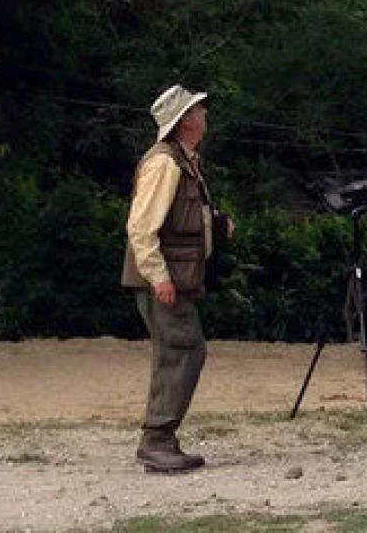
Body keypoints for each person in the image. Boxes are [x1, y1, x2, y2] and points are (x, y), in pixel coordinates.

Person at [120, 84, 229, 474]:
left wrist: (216, 225)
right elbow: (141, 227)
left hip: (173, 276)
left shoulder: (183, 161)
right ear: (183, 121)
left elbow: (179, 218)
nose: (204, 115)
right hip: (163, 279)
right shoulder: (165, 163)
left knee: (179, 350)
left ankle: (162, 438)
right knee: (182, 350)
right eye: (198, 110)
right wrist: (158, 276)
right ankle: (157, 440)